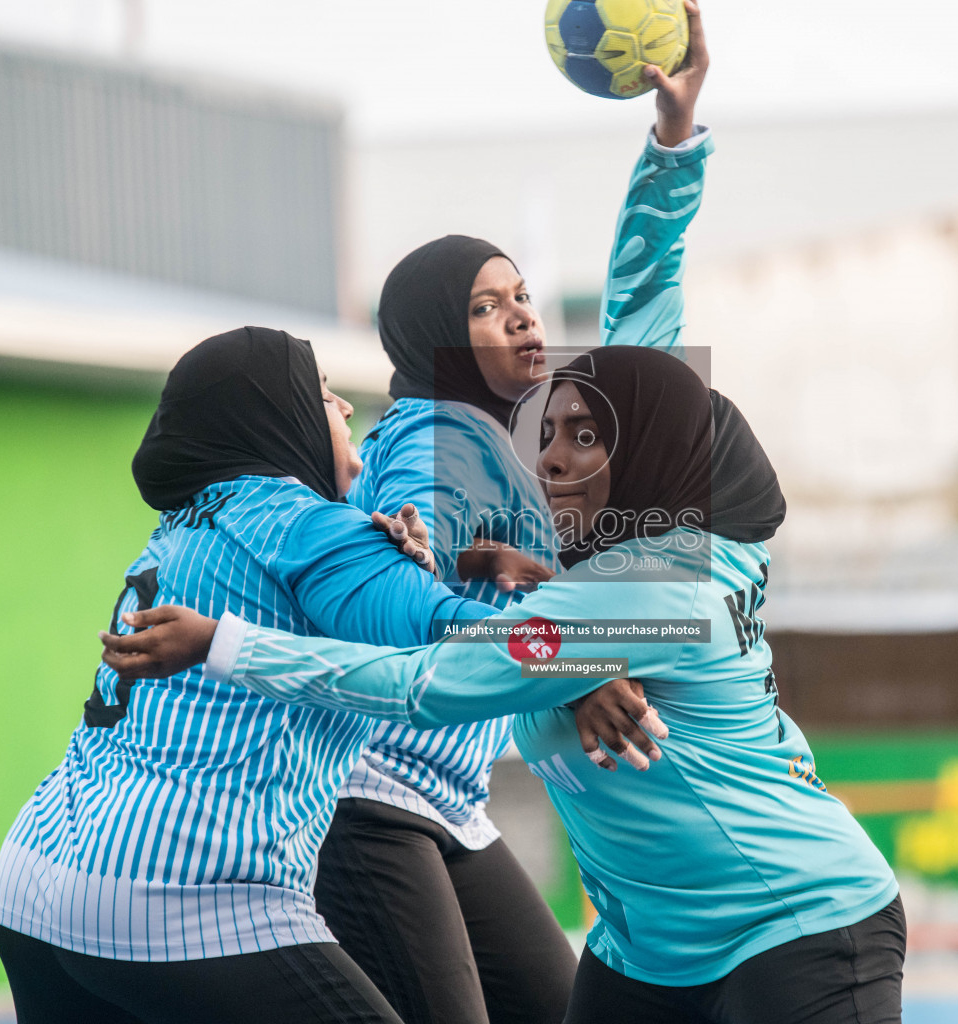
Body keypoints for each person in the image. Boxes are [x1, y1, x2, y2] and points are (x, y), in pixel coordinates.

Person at [102, 346, 907, 1024]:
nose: (549, 459)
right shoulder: (618, 570)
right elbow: (529, 618)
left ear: (654, 455)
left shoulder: (654, 586)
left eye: (585, 437)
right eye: (546, 433)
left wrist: (228, 646)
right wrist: (494, 597)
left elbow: (437, 683)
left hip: (793, 926)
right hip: (647, 953)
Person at [319, 4, 713, 1021]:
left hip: (450, 799)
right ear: (431, 337)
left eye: (526, 295)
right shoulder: (432, 434)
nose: (523, 315)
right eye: (486, 306)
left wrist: (673, 140)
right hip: (369, 797)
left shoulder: (519, 435)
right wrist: (575, 667)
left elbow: (643, 300)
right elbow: (401, 585)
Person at [0, 326, 477, 1023]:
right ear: (278, 419)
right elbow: (473, 642)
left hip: (39, 874)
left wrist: (402, 570)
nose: (343, 410)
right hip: (185, 892)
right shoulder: (301, 524)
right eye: (324, 395)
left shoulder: (190, 522)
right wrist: (605, 658)